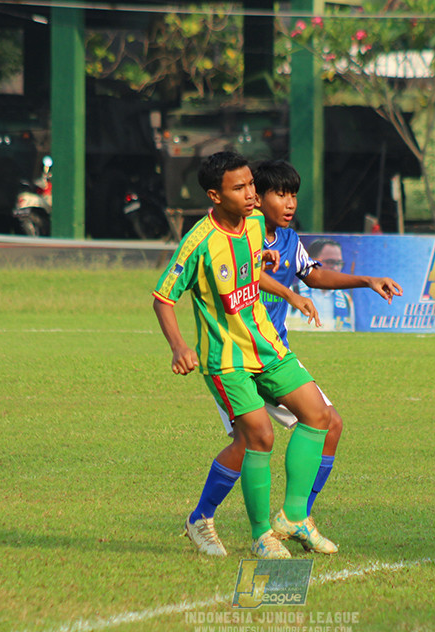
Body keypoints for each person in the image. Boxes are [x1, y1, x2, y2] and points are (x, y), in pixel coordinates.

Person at [188, 159, 404, 557]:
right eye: (279, 194)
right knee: (249, 442)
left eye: (293, 195)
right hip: (235, 356)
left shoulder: (288, 239)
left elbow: (314, 274)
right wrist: (287, 294)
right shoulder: (241, 233)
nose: (289, 203)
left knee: (329, 423)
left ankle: (298, 516)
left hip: (275, 354)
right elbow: (246, 273)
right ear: (257, 197)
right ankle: (203, 517)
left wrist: (367, 280)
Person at [152, 151, 332, 559]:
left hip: (266, 346)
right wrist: (180, 346)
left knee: (320, 415)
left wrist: (281, 284)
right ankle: (258, 535)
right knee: (259, 436)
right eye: (241, 188)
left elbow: (249, 269)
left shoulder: (253, 224)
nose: (252, 194)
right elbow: (163, 299)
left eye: (252, 184)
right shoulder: (198, 242)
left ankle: (293, 516)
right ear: (215, 195)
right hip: (226, 359)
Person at [287, 238, 356, 331]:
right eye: (330, 262)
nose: (335, 268)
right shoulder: (292, 293)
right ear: (311, 262)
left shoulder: (345, 300)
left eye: (339, 263)